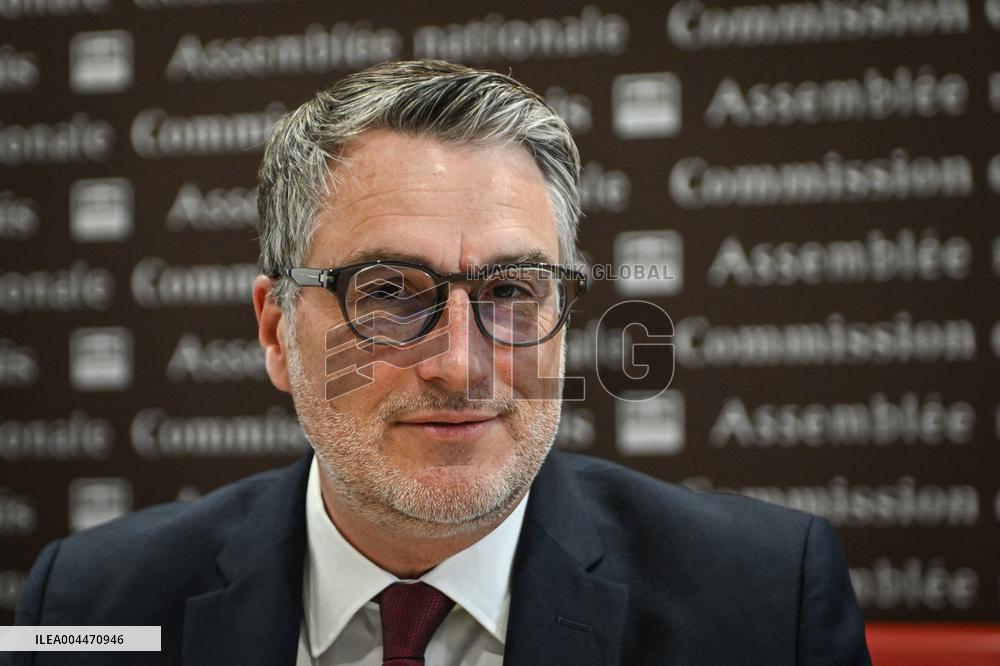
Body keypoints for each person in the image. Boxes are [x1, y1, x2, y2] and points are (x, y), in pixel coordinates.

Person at [9, 60, 871, 665]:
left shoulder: (766, 606)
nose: (461, 365)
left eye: (512, 290)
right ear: (276, 332)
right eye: (388, 294)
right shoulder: (88, 609)